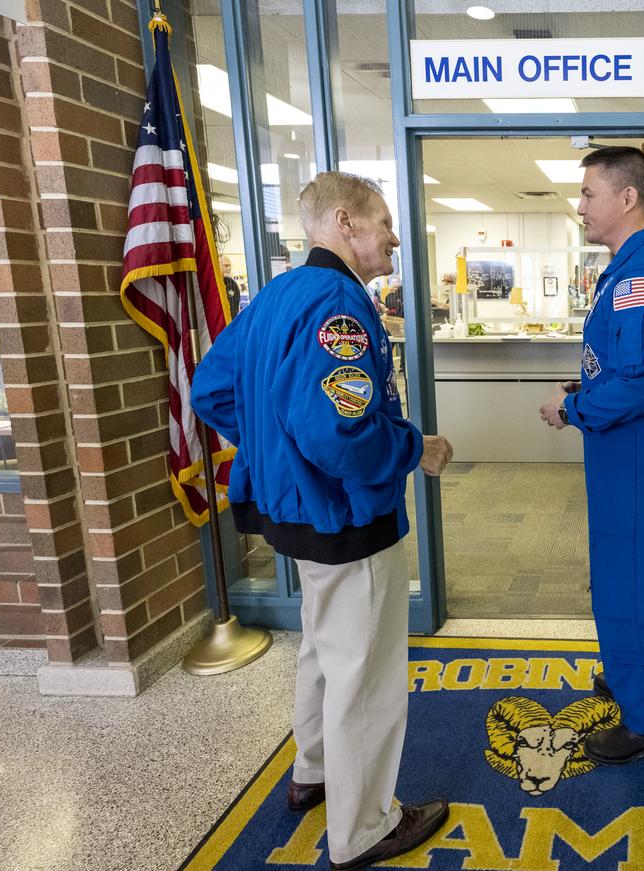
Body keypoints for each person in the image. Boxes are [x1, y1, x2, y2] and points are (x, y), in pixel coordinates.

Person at [190, 171, 454, 869]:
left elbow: (212, 387)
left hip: (294, 513)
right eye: (384, 223)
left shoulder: (277, 295)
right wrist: (414, 447)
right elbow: (340, 435)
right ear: (345, 223)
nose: (395, 237)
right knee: (364, 670)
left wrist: (276, 450)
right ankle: (364, 826)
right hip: (345, 516)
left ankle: (312, 772)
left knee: (322, 645)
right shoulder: (339, 304)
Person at [538, 146, 644, 765]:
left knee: (628, 589)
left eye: (588, 194)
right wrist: (583, 389)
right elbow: (624, 368)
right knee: (616, 580)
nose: (579, 206)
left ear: (627, 199)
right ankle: (630, 677)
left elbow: (639, 382)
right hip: (624, 458)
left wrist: (571, 410)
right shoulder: (628, 270)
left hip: (636, 461)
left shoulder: (643, 278)